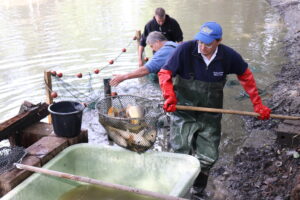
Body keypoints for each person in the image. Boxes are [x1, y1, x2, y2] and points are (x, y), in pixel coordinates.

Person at [157, 22, 271, 198]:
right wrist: (169, 96)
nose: (202, 47)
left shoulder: (228, 56)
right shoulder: (185, 50)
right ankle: (180, 190)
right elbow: (164, 73)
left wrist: (257, 104)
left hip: (210, 113)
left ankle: (198, 190)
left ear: (219, 41)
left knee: (209, 156)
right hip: (184, 110)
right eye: (200, 42)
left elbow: (246, 76)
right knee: (181, 151)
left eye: (208, 44)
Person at [110, 31, 178, 86]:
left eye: (152, 46)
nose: (153, 49)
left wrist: (123, 77)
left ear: (157, 42)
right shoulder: (172, 44)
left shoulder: (163, 52)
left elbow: (145, 70)